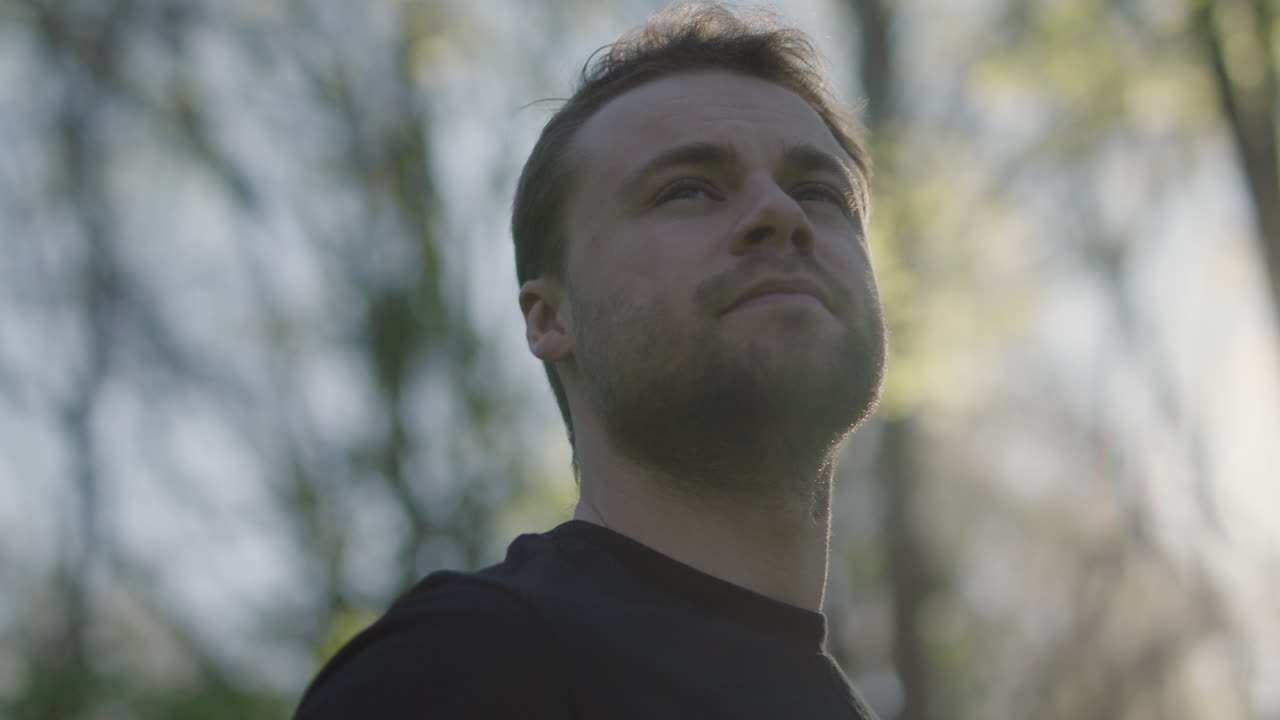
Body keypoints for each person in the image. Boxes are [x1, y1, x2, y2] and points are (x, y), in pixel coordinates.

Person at [295, 3, 886, 718]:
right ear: (551, 318)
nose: (781, 213)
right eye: (688, 189)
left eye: (819, 194)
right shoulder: (465, 664)